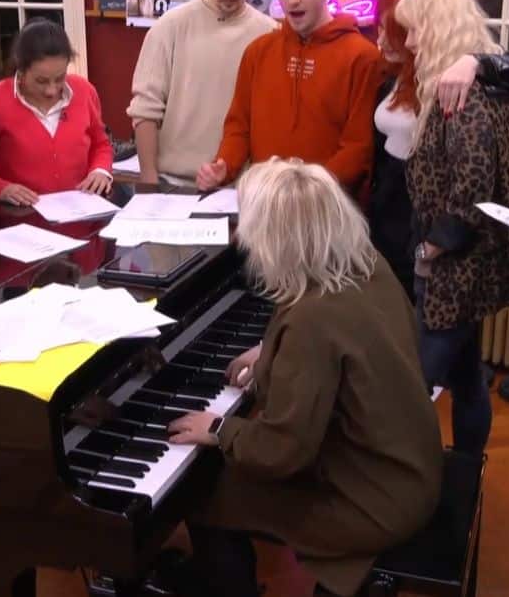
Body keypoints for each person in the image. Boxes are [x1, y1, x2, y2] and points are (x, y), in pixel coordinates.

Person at [166, 158, 443, 597]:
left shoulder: (312, 320)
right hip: (410, 468)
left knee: (199, 493)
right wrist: (273, 353)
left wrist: (219, 428)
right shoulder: (366, 264)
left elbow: (282, 451)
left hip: (370, 501)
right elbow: (345, 348)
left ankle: (227, 586)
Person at [386, 0, 509, 456]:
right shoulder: (476, 80)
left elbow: (470, 191)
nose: (407, 42)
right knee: (467, 376)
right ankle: (467, 472)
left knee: (411, 386)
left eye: (413, 31)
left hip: (456, 265)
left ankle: (404, 487)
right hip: (467, 262)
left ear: (437, 27)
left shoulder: (464, 96)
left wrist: (433, 246)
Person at [368, 0, 509, 301]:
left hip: (423, 218)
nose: (385, 40)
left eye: (392, 30)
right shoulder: (398, 75)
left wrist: (476, 61)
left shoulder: (458, 83)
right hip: (387, 207)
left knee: (427, 330)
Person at [196, 0, 383, 190]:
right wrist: (224, 166)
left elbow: (358, 149)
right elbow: (238, 127)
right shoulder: (258, 52)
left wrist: (307, 192)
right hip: (265, 206)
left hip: (329, 212)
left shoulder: (362, 57)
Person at [128, 0, 278, 185]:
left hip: (242, 186)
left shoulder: (271, 34)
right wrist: (149, 181)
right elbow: (145, 110)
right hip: (172, 183)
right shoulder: (169, 27)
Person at [0, 19, 112, 206]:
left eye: (59, 78)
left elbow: (101, 144)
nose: (51, 90)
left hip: (82, 212)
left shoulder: (84, 91)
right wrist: (1, 188)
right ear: (21, 69)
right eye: (41, 81)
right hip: (20, 218)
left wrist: (100, 170)